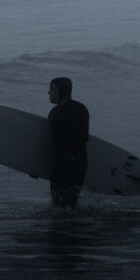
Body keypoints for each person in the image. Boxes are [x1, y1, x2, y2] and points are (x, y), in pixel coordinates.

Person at [47, 77, 89, 209]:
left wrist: (69, 156)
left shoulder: (79, 109)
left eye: (53, 89)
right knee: (57, 207)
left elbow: (83, 137)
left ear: (63, 91)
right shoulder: (53, 113)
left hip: (75, 165)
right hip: (58, 166)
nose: (49, 92)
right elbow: (48, 141)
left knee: (69, 208)